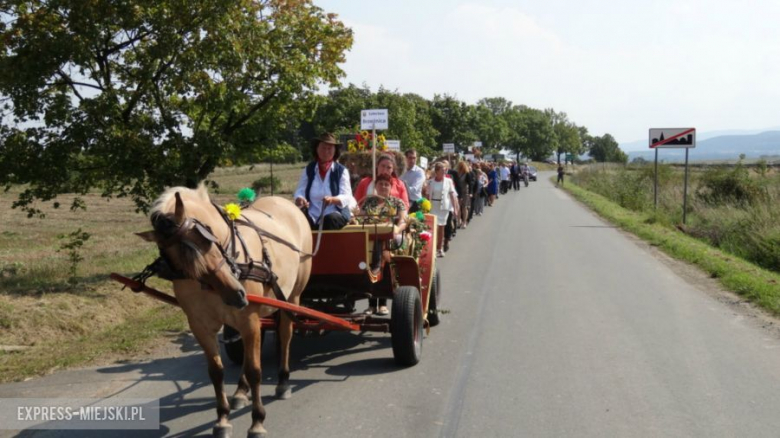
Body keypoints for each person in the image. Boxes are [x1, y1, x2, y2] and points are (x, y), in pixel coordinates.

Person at [359, 173, 408, 315]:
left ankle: (382, 303)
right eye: (380, 184)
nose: (383, 187)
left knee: (382, 255)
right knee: (369, 253)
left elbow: (403, 220)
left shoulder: (397, 202)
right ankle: (372, 304)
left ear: (391, 187)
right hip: (369, 237)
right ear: (376, 186)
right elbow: (359, 215)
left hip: (389, 237)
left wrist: (397, 230)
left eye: (386, 184)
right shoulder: (369, 202)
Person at [293, 133, 356, 230]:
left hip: (335, 213)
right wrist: (300, 198)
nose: (326, 151)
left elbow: (347, 196)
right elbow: (300, 190)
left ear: (335, 151)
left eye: (329, 148)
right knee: (299, 220)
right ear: (317, 149)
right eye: (323, 148)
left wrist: (333, 200)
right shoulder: (309, 169)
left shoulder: (341, 171)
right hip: (312, 213)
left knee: (330, 219)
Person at [424, 162, 459, 258]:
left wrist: (455, 209)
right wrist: (425, 208)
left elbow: (452, 195)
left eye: (445, 170)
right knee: (433, 228)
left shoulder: (448, 181)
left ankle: (440, 248)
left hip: (443, 207)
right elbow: (427, 196)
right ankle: (432, 249)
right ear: (437, 171)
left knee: (441, 228)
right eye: (442, 170)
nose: (444, 171)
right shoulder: (430, 182)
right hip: (433, 206)